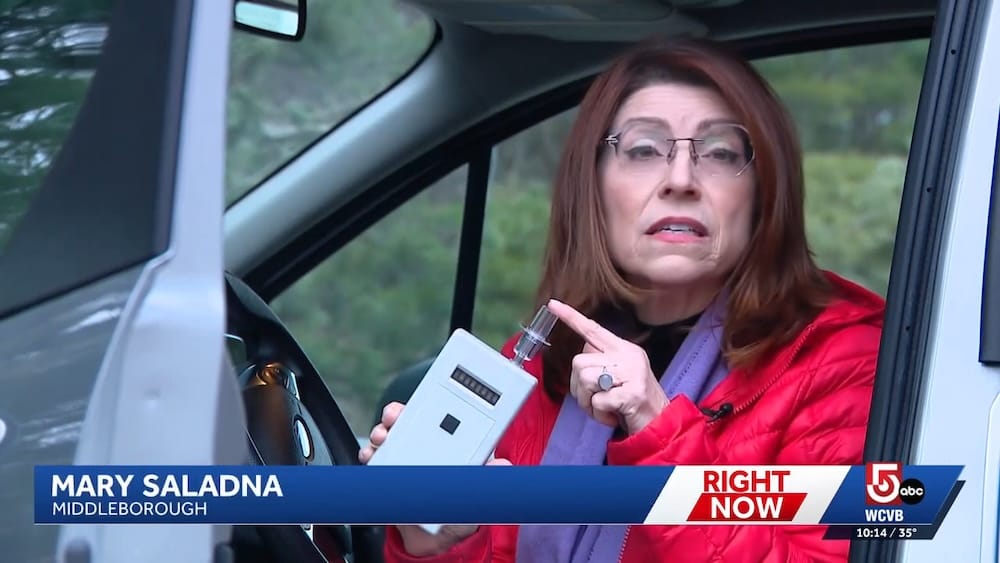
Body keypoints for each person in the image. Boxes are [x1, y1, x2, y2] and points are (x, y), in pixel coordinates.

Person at [359, 36, 885, 563]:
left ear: (764, 191)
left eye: (721, 152)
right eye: (643, 150)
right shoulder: (539, 361)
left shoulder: (845, 362)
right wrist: (431, 540)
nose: (681, 180)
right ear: (592, 186)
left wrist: (659, 429)